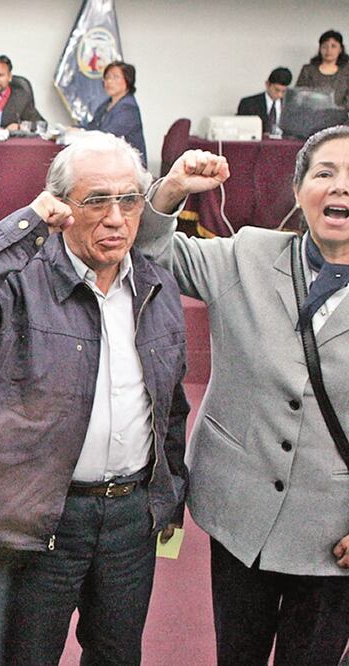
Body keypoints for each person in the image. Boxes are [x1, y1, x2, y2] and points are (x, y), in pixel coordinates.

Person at [0, 133, 217, 665]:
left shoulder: (154, 283)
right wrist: (24, 224)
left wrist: (167, 494)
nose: (115, 218)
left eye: (128, 201)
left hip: (131, 517)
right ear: (60, 208)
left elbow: (169, 401)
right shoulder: (20, 282)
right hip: (44, 516)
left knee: (116, 655)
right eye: (96, 200)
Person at [135, 127, 349, 665]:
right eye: (325, 173)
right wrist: (171, 190)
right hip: (239, 512)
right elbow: (148, 251)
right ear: (299, 191)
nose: (341, 188)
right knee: (237, 653)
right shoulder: (247, 255)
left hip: (335, 534)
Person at [82, 61, 147, 166]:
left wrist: (81, 135)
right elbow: (92, 126)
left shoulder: (128, 108)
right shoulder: (107, 104)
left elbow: (107, 136)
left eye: (115, 77)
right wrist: (73, 129)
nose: (109, 81)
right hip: (110, 160)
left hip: (128, 166)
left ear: (128, 80)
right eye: (107, 77)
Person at [296, 29, 349, 109]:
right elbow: (298, 96)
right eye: (325, 46)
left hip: (340, 118)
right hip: (312, 117)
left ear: (340, 49)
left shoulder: (346, 71)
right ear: (320, 49)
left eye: (333, 46)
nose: (329, 50)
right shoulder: (308, 70)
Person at [237, 67, 293, 135]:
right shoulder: (248, 104)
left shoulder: (291, 106)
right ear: (267, 84)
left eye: (284, 91)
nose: (280, 95)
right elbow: (242, 130)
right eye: (276, 90)